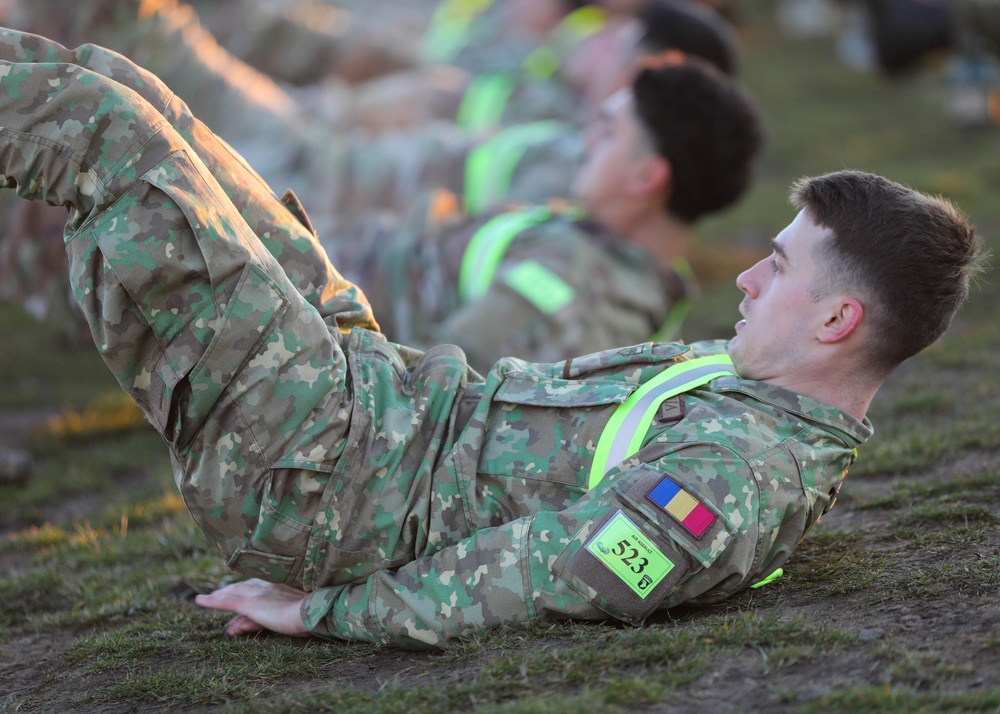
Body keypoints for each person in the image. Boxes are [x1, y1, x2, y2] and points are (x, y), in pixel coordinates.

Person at [0, 29, 983, 649]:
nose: (745, 275)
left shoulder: (739, 475)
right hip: (366, 396)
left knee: (100, 133)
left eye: (778, 266)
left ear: (835, 319)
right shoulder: (749, 390)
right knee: (132, 89)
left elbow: (553, 572)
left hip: (320, 469)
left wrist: (326, 609)